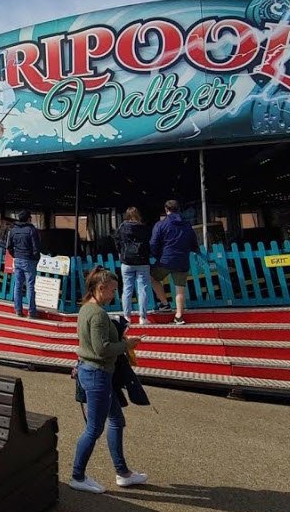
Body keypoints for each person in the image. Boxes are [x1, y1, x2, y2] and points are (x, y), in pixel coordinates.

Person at [70, 266, 147, 494]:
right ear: (101, 288)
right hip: (97, 373)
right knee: (94, 428)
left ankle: (122, 472)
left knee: (116, 420)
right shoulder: (98, 315)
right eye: (113, 290)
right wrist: (127, 345)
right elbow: (102, 349)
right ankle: (77, 475)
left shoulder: (86, 309)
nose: (114, 294)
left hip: (93, 371)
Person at [150, 199, 200, 325]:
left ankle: (165, 304)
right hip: (182, 261)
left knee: (151, 277)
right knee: (180, 289)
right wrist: (195, 249)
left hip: (165, 261)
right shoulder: (187, 225)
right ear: (179, 210)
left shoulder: (160, 225)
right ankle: (179, 316)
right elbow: (193, 241)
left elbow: (153, 243)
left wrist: (157, 256)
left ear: (166, 210)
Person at [116, 207, 153, 325]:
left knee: (127, 289)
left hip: (126, 262)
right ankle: (142, 317)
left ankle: (127, 317)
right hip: (142, 262)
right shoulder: (144, 228)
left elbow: (117, 242)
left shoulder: (122, 228)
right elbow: (149, 243)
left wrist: (120, 253)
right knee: (142, 289)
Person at [6, 210, 41, 318]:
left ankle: (18, 310)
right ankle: (31, 311)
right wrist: (35, 258)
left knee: (18, 285)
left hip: (18, 259)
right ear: (28, 218)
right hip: (29, 260)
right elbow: (36, 247)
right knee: (30, 286)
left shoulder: (13, 230)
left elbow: (9, 247)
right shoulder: (31, 230)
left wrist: (15, 255)